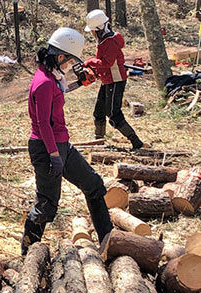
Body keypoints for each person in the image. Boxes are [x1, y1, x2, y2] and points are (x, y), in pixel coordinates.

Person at [21, 27, 113, 255]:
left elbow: (58, 93)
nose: (69, 64)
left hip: (61, 145)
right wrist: (54, 155)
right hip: (46, 147)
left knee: (94, 185)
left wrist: (78, 84)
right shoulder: (43, 82)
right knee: (47, 204)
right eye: (69, 59)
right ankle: (28, 254)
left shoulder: (51, 76)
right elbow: (43, 123)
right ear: (60, 56)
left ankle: (109, 242)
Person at [83, 9, 143, 150]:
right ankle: (99, 141)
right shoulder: (104, 40)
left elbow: (107, 63)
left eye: (92, 30)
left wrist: (90, 62)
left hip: (115, 80)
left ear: (99, 28)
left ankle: (135, 141)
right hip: (107, 79)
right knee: (99, 111)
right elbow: (103, 63)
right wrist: (96, 71)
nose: (91, 33)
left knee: (113, 113)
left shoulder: (110, 41)